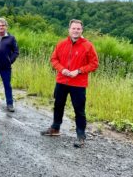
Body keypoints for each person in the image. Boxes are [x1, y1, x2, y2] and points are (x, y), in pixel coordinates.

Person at [41, 19, 98, 148]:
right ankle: (55, 128)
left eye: (78, 29)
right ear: (69, 29)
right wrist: (62, 69)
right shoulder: (61, 44)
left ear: (82, 30)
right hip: (62, 80)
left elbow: (94, 64)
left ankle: (81, 136)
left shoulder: (88, 46)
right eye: (74, 28)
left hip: (78, 83)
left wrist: (78, 71)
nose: (76, 30)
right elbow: (54, 59)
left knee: (79, 110)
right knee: (58, 105)